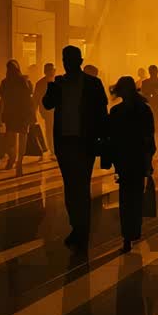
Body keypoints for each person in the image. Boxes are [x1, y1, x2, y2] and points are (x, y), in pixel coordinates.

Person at [42, 45, 109, 251]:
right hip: (64, 141)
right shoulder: (59, 84)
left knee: (81, 185)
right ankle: (77, 226)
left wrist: (103, 140)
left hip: (84, 141)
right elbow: (47, 104)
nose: (67, 63)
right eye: (65, 59)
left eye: (70, 59)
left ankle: (82, 230)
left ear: (79, 61)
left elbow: (101, 113)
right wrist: (53, 85)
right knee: (71, 186)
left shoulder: (93, 84)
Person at [106, 77, 156, 253]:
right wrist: (149, 160)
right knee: (136, 197)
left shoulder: (116, 111)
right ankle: (134, 231)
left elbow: (110, 137)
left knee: (125, 197)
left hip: (123, 158)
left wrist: (111, 159)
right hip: (139, 157)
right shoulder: (144, 109)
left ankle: (127, 236)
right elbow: (150, 136)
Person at [0, 60, 35, 177]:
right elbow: (30, 98)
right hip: (23, 113)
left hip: (11, 113)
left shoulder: (6, 82)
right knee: (22, 138)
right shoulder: (25, 81)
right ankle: (19, 162)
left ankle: (13, 158)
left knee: (10, 139)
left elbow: (2, 100)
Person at [139, 65, 158, 143]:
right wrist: (151, 95)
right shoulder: (145, 83)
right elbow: (143, 95)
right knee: (151, 128)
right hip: (150, 108)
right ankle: (154, 144)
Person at [34, 63, 57, 159]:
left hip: (51, 110)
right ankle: (53, 149)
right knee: (51, 129)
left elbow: (36, 99)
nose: (51, 72)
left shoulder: (41, 83)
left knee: (51, 130)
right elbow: (36, 99)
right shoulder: (42, 83)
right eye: (50, 70)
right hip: (48, 111)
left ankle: (53, 149)